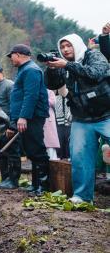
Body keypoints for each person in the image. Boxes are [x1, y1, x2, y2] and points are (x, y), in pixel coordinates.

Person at [44, 33, 110, 204]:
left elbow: (96, 73)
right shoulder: (64, 65)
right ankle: (83, 196)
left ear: (77, 45)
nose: (65, 50)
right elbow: (52, 85)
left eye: (69, 46)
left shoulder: (93, 55)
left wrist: (67, 65)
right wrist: (51, 69)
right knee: (80, 157)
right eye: (63, 47)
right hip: (81, 118)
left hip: (106, 114)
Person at [7, 44, 50, 196]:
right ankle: (35, 185)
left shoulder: (31, 70)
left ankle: (44, 187)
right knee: (31, 151)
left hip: (32, 117)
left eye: (11, 55)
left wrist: (23, 116)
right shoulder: (25, 69)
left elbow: (31, 95)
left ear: (18, 54)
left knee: (37, 150)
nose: (10, 59)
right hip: (27, 116)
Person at [54, 86, 72, 160]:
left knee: (68, 136)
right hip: (58, 116)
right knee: (59, 137)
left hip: (69, 116)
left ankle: (68, 156)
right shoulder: (56, 82)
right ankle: (59, 156)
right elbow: (53, 92)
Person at [43, 89, 60, 160]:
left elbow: (53, 102)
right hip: (40, 119)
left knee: (50, 143)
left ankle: (53, 161)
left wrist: (42, 100)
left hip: (48, 118)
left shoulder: (49, 92)